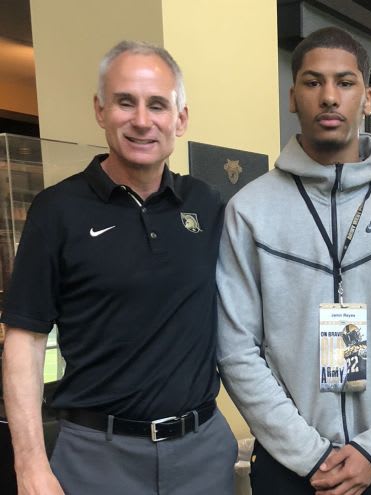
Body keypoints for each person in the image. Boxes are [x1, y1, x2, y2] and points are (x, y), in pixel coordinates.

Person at [1, 41, 237, 495]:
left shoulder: (206, 204)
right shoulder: (57, 210)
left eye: (158, 105)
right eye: (125, 102)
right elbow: (24, 341)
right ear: (100, 110)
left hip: (202, 454)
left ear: (181, 119)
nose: (142, 121)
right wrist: (29, 466)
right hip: (96, 459)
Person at [217, 27, 371, 495]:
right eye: (313, 83)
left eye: (345, 82)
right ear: (292, 96)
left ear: (368, 97)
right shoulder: (249, 211)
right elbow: (236, 349)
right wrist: (310, 455)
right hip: (288, 467)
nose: (329, 97)